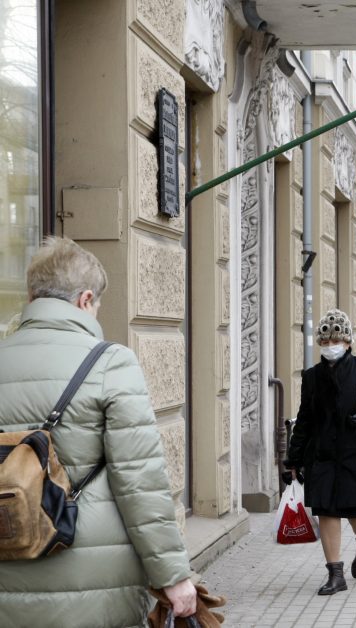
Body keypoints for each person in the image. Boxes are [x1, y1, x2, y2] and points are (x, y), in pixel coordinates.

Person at [0, 237, 197, 625]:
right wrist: (172, 576)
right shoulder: (109, 363)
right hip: (92, 574)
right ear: (85, 299)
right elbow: (139, 481)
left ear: (32, 294)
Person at [286, 309, 356, 595]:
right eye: (324, 342)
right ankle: (335, 574)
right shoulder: (312, 377)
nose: (330, 346)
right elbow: (306, 419)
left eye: (335, 340)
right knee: (327, 512)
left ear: (348, 341)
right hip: (322, 456)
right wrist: (294, 458)